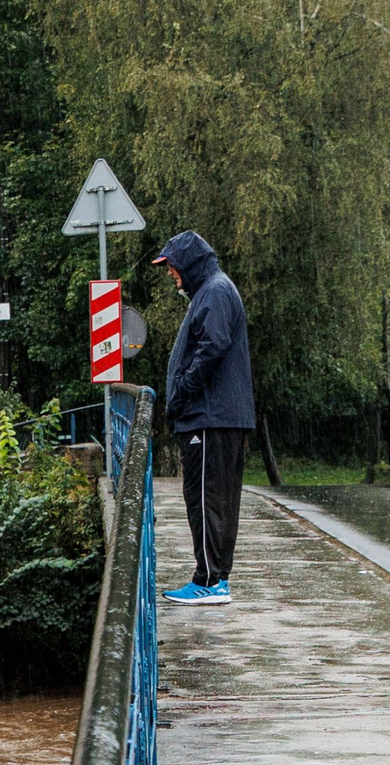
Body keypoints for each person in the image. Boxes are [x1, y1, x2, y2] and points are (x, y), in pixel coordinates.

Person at [152, 230, 254, 606]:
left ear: (189, 263)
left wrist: (181, 391)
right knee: (213, 498)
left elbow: (211, 348)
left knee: (207, 498)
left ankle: (210, 582)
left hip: (210, 416)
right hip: (215, 416)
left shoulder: (213, 291)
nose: (170, 274)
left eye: (172, 266)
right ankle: (211, 578)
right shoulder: (213, 290)